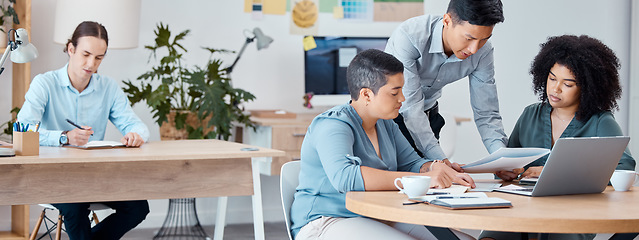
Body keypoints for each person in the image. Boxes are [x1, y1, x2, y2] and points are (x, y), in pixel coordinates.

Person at [290, 49, 476, 240]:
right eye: (395, 92)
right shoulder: (332, 125)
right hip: (326, 221)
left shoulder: (386, 123)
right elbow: (344, 177)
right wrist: (424, 180)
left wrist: (434, 168)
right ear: (367, 95)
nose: (402, 99)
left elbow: (412, 163)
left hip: (378, 215)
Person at [480, 35, 636, 240]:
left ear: (587, 88)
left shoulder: (600, 121)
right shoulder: (530, 115)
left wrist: (553, 172)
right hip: (521, 208)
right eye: (552, 78)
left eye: (568, 84)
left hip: (573, 213)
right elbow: (509, 162)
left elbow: (624, 167)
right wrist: (505, 171)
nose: (555, 89)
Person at [17, 21, 150, 240]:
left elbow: (137, 126)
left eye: (99, 57)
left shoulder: (108, 88)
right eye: (86, 54)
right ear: (71, 49)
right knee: (75, 206)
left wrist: (135, 135)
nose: (91, 63)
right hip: (54, 175)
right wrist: (63, 137)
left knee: (138, 207)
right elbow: (23, 130)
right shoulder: (44, 84)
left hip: (93, 174)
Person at [385, 0, 508, 169]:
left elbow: (487, 112)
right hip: (390, 120)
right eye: (469, 38)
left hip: (427, 119)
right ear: (447, 21)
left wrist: (501, 158)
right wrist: (443, 162)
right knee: (395, 183)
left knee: (432, 186)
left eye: (483, 40)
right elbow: (411, 108)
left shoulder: (483, 52)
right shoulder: (410, 37)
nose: (474, 49)